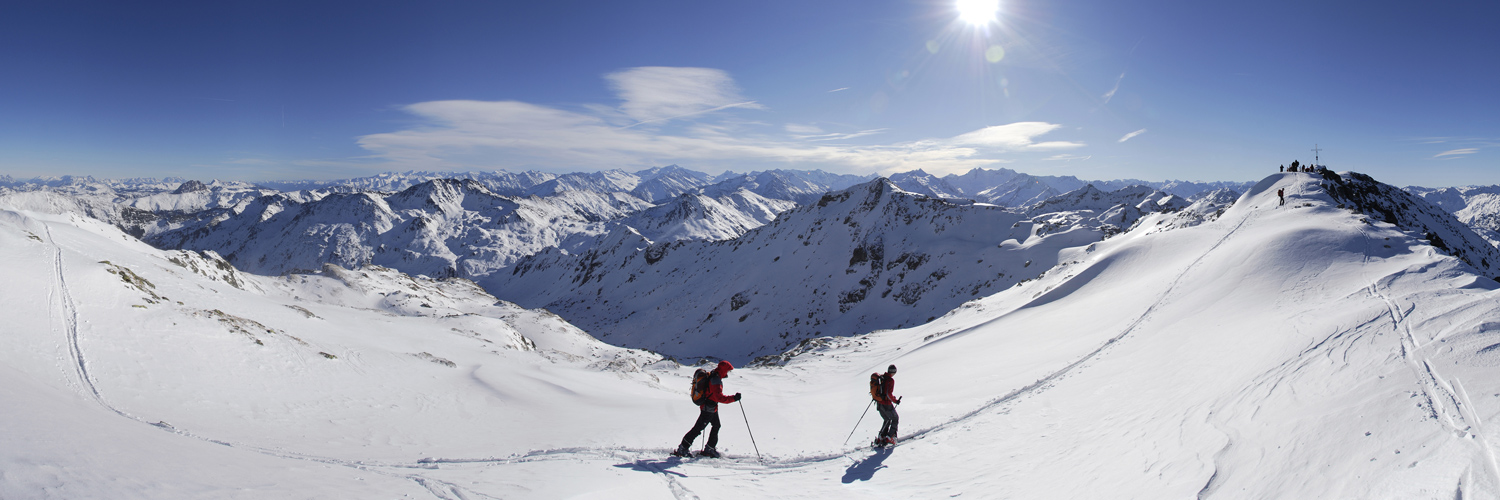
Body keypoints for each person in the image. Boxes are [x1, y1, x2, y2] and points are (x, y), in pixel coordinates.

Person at [673, 360, 741, 458]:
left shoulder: (714, 375)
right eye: (727, 370)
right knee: (697, 429)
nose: (728, 373)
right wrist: (734, 398)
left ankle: (709, 448)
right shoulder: (716, 380)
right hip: (708, 409)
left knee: (716, 425)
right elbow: (719, 397)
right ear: (723, 370)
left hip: (711, 408)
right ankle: (683, 448)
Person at [874, 364, 902, 447]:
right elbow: (888, 393)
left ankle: (881, 437)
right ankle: (890, 437)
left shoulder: (882, 377)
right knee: (895, 418)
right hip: (886, 404)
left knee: (886, 419)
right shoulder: (890, 380)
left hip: (879, 403)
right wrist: (895, 400)